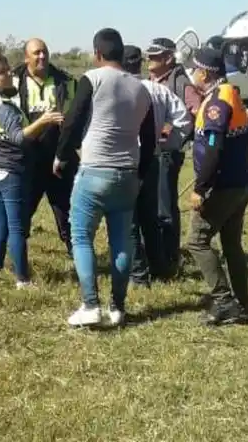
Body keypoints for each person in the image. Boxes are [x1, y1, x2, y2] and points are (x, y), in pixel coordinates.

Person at [54, 28, 157, 327]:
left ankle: (90, 305)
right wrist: (141, 173)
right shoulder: (141, 89)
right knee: (122, 242)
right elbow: (149, 138)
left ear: (97, 53)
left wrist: (60, 155)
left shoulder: (93, 78)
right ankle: (118, 308)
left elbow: (73, 119)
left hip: (95, 169)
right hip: (127, 173)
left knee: (81, 237)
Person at [0, 54, 64, 287]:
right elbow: (19, 139)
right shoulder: (5, 109)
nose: (9, 75)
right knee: (16, 227)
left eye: (8, 71)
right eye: (3, 73)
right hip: (10, 171)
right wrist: (43, 121)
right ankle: (22, 279)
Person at [185, 46, 248, 325]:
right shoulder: (230, 93)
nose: (191, 73)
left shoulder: (216, 104)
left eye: (193, 69)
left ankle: (224, 301)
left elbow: (213, 148)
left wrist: (201, 188)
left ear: (204, 72)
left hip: (223, 186)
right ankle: (242, 299)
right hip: (241, 183)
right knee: (231, 244)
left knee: (197, 241)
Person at [122, 45, 193, 287]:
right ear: (139, 64)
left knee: (129, 221)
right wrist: (167, 144)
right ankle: (160, 266)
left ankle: (139, 275)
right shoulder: (157, 90)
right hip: (151, 159)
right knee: (150, 216)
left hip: (125, 162)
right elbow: (184, 121)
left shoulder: (115, 90)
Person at [10, 38, 77, 256]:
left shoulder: (66, 81)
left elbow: (75, 118)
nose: (42, 57)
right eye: (36, 53)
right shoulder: (12, 82)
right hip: (26, 161)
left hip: (59, 160)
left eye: (45, 52)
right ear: (26, 57)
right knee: (21, 212)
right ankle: (16, 260)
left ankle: (79, 258)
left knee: (67, 213)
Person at [145, 37, 203, 276]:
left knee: (165, 206)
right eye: (148, 55)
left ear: (168, 58)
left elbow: (198, 113)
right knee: (153, 204)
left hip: (168, 152)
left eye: (155, 56)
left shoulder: (181, 83)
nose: (149, 59)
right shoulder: (151, 80)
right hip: (153, 150)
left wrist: (170, 129)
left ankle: (170, 256)